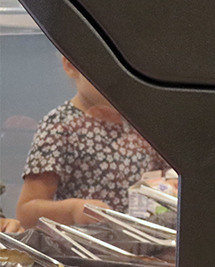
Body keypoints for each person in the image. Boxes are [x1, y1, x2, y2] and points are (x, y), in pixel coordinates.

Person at [16, 56, 170, 229]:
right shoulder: (60, 125)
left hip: (145, 246)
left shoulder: (143, 123)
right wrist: (74, 210)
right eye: (105, 66)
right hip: (85, 249)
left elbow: (169, 180)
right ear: (70, 65)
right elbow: (26, 213)